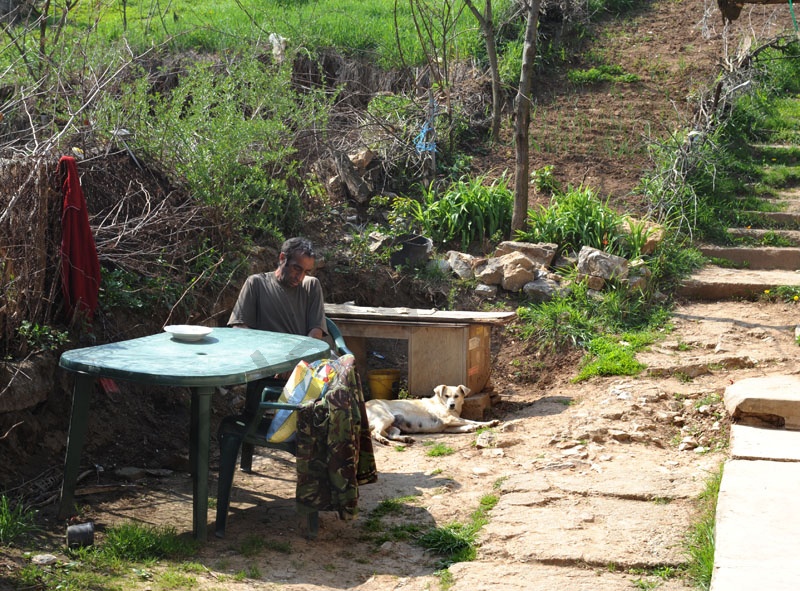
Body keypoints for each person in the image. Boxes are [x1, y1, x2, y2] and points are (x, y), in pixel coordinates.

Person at [227, 237, 326, 340]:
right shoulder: (256, 284)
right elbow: (239, 327)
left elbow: (316, 330)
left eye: (306, 272)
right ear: (282, 258)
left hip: (301, 353)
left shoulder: (311, 286)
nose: (300, 277)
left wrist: (304, 353)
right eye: (296, 269)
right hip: (265, 352)